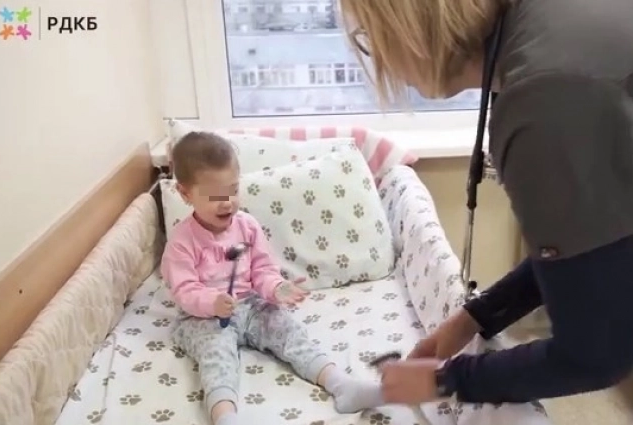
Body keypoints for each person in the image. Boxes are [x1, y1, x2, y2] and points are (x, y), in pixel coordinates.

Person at [338, 0, 633, 405]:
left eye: (368, 38)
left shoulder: (544, 100)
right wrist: (477, 316)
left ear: (408, 27)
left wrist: (445, 381)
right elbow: (591, 249)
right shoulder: (546, 30)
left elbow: (595, 355)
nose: (381, 61)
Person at [160, 131, 385, 425]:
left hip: (250, 304)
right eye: (215, 196)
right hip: (204, 317)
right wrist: (212, 302)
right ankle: (225, 417)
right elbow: (184, 289)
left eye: (233, 190)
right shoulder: (182, 241)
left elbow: (262, 269)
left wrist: (276, 288)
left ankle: (341, 385)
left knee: (287, 330)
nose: (227, 202)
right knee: (216, 356)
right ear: (185, 194)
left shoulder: (247, 226)